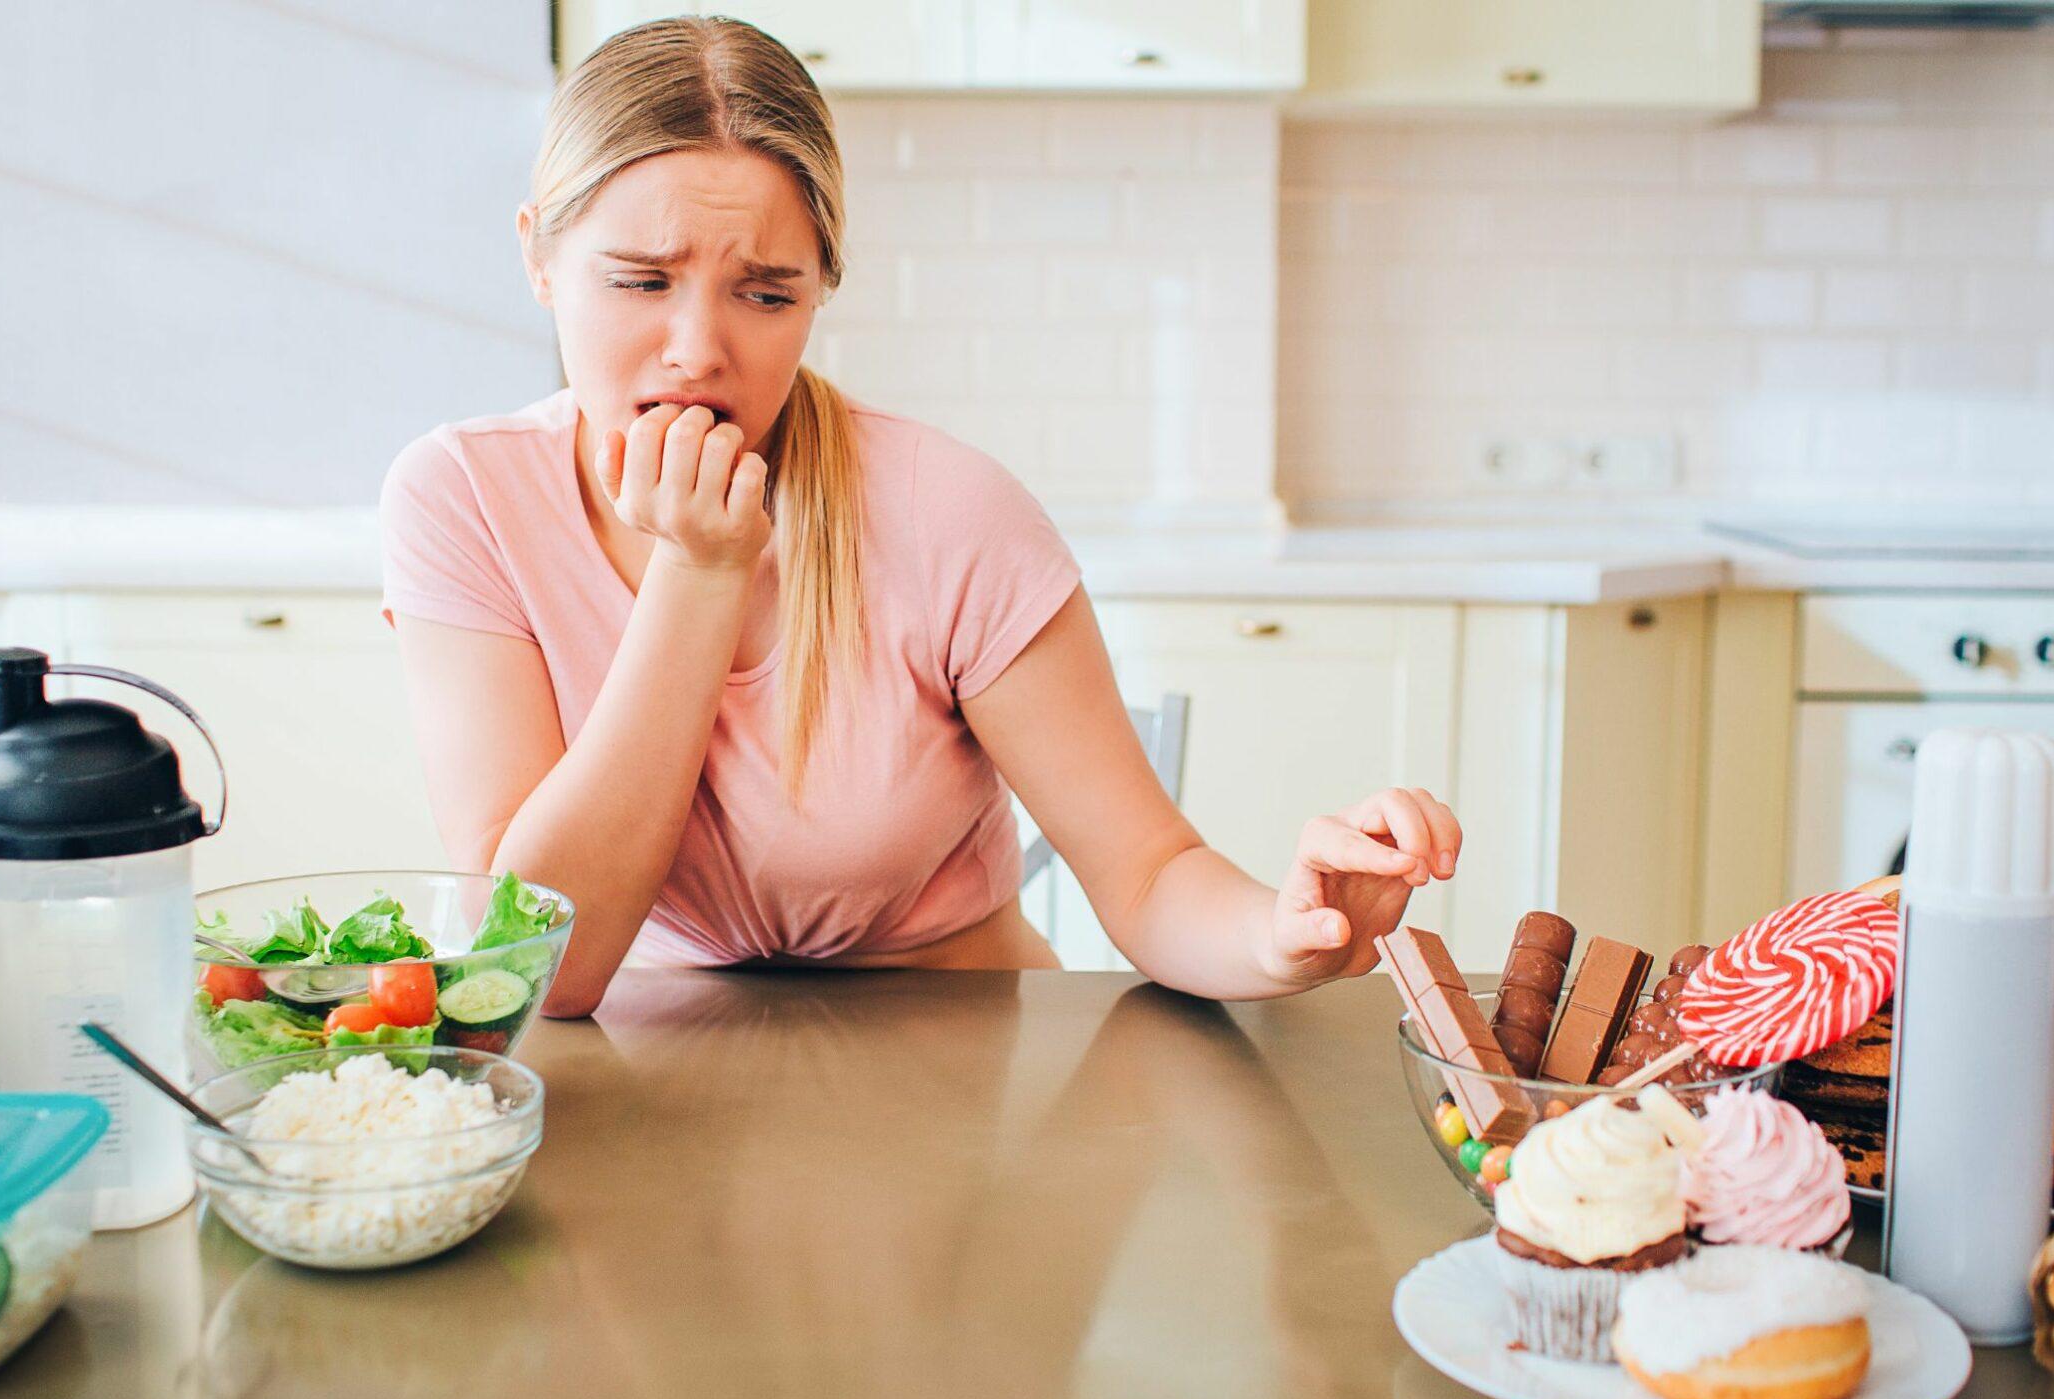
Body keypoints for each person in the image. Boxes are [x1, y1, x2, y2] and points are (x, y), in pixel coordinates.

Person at [381, 16, 1461, 1018]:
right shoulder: (465, 501)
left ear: (820, 291)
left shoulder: (949, 512)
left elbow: (1146, 872)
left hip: (972, 1067)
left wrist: (1281, 933)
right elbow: (540, 971)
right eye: (639, 281)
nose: (697, 348)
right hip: (654, 1075)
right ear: (538, 256)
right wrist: (698, 575)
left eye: (766, 294)